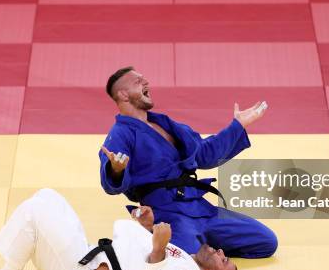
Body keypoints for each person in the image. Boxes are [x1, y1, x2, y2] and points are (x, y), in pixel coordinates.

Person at [99, 67, 277, 258]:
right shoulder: (120, 134)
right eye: (137, 82)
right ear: (123, 94)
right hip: (168, 215)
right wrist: (116, 170)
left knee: (265, 241)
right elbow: (111, 182)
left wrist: (238, 125)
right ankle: (177, 244)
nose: (146, 82)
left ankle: (201, 246)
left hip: (199, 207)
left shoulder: (165, 124)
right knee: (181, 260)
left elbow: (204, 154)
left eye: (144, 79)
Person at [0, 188, 237, 270]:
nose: (221, 252)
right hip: (85, 256)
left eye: (224, 262)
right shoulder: (186, 263)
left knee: (35, 211)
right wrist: (145, 227)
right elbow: (139, 263)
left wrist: (157, 248)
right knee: (47, 196)